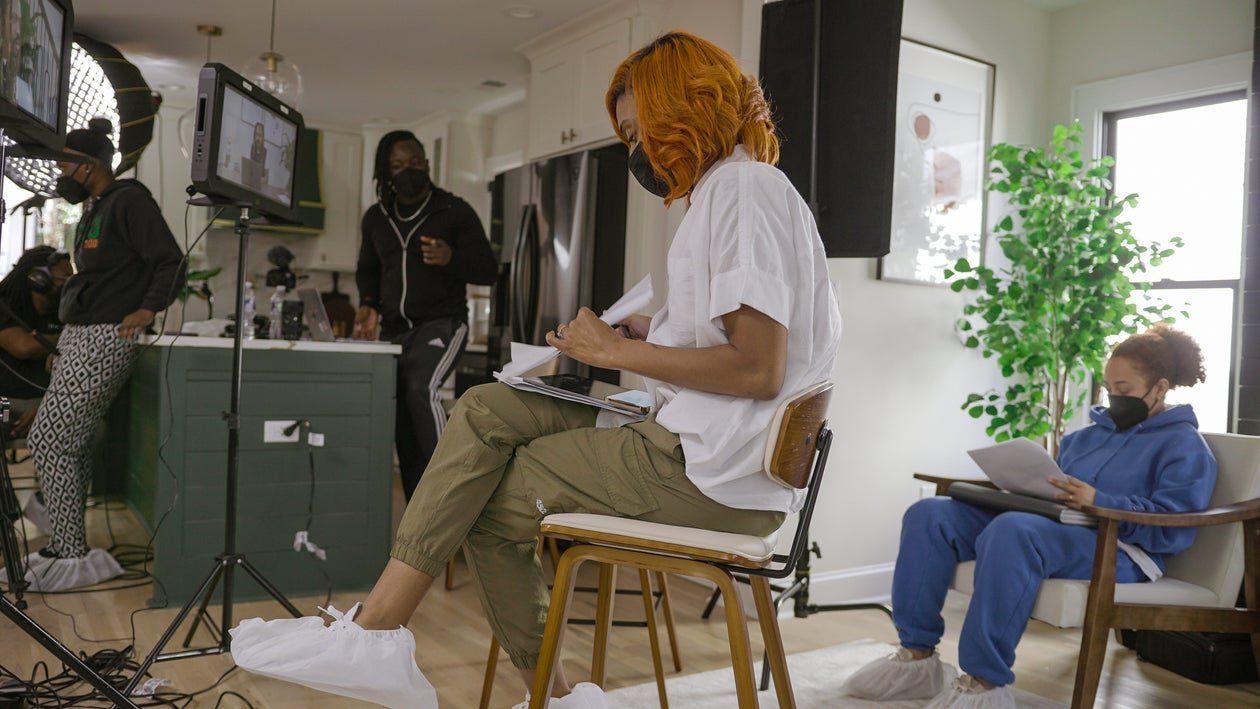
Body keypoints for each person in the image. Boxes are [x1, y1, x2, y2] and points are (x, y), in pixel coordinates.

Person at [229, 30, 842, 708]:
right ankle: (377, 632)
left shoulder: (741, 192)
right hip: (709, 452)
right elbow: (741, 346)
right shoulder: (739, 190)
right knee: (483, 407)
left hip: (707, 474)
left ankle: (527, 687)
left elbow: (757, 369)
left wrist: (616, 353)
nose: (635, 153)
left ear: (682, 109)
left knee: (488, 507)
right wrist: (652, 333)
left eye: (637, 133)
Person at [841, 323, 1215, 708]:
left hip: (1119, 548)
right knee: (930, 514)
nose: (1113, 398)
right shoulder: (1086, 437)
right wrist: (1023, 485)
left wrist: (1100, 500)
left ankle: (983, 680)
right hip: (1055, 528)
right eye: (1108, 388)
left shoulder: (1184, 445)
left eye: (1124, 389)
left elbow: (1174, 526)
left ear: (1160, 387)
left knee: (1013, 530)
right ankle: (916, 656)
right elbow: (1055, 491)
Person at [0, 119, 186, 593]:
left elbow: (170, 259)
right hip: (82, 334)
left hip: (106, 334)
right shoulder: (97, 207)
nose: (60, 173)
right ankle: (68, 544)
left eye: (64, 164)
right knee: (69, 442)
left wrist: (147, 308)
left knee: (49, 440)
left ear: (87, 165)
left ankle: (70, 551)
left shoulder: (129, 201)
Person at [352, 130, 498, 501]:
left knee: (421, 388)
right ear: (386, 172)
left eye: (416, 162)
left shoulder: (453, 211)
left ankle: (451, 487)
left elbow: (488, 269)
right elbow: (368, 269)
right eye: (398, 165)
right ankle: (421, 507)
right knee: (400, 412)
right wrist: (368, 303)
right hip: (394, 330)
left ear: (427, 164)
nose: (409, 170)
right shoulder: (377, 218)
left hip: (443, 323)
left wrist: (452, 258)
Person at [0, 245, 68, 440]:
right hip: (4, 403)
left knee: (95, 431)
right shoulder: (6, 306)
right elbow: (24, 347)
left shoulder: (68, 312)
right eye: (65, 276)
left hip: (46, 404)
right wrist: (69, 339)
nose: (70, 283)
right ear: (39, 278)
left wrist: (45, 408)